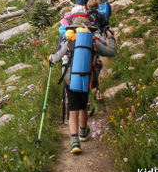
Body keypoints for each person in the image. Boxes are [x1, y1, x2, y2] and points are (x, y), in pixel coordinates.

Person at [49, 17, 116, 154]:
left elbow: (55, 58)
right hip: (86, 78)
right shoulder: (92, 42)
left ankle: (75, 142)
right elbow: (111, 52)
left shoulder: (68, 41)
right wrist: (111, 37)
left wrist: (51, 58)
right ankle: (83, 132)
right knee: (83, 106)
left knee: (73, 110)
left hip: (69, 79)